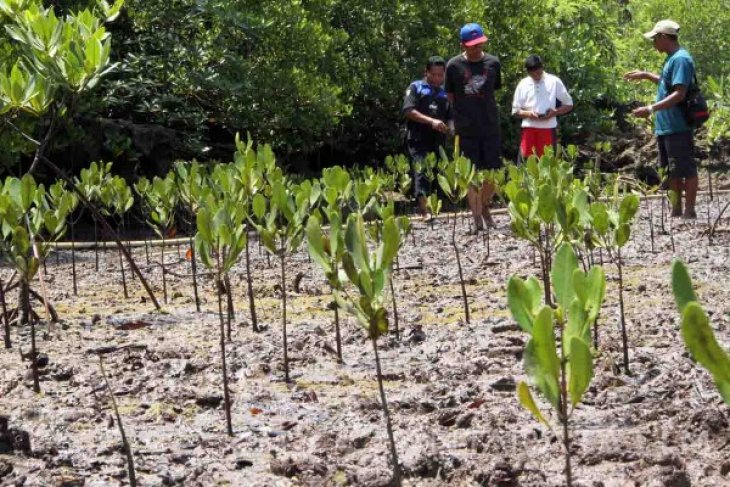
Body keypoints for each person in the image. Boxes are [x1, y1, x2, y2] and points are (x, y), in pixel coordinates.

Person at [624, 19, 698, 219]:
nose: (653, 43)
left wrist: (650, 108)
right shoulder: (671, 58)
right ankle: (676, 211)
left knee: (686, 169)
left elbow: (679, 93)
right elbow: (668, 83)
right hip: (666, 127)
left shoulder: (681, 59)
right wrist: (647, 75)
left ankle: (689, 211)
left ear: (664, 37)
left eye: (654, 39)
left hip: (678, 126)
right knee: (670, 172)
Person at [445, 22, 502, 231]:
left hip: (489, 125)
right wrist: (453, 122)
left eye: (480, 44)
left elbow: (494, 90)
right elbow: (450, 96)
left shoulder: (493, 63)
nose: (477, 48)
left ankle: (485, 206)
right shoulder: (453, 66)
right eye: (472, 45)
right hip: (466, 129)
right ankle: (477, 218)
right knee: (470, 175)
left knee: (493, 174)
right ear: (463, 45)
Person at [402, 56, 450, 217]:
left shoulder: (445, 93)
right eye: (434, 75)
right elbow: (409, 110)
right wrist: (431, 121)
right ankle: (424, 211)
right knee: (421, 171)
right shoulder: (416, 87)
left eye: (440, 75)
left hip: (438, 140)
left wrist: (451, 128)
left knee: (438, 173)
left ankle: (436, 209)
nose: (437, 78)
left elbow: (450, 116)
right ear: (426, 72)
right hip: (418, 138)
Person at [512, 55, 573, 161]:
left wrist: (554, 112)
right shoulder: (523, 83)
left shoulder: (554, 81)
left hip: (548, 129)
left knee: (547, 165)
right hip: (529, 129)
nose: (536, 76)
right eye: (532, 74)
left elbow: (569, 105)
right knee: (525, 164)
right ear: (528, 72)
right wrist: (529, 114)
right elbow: (515, 111)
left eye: (538, 73)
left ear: (542, 68)